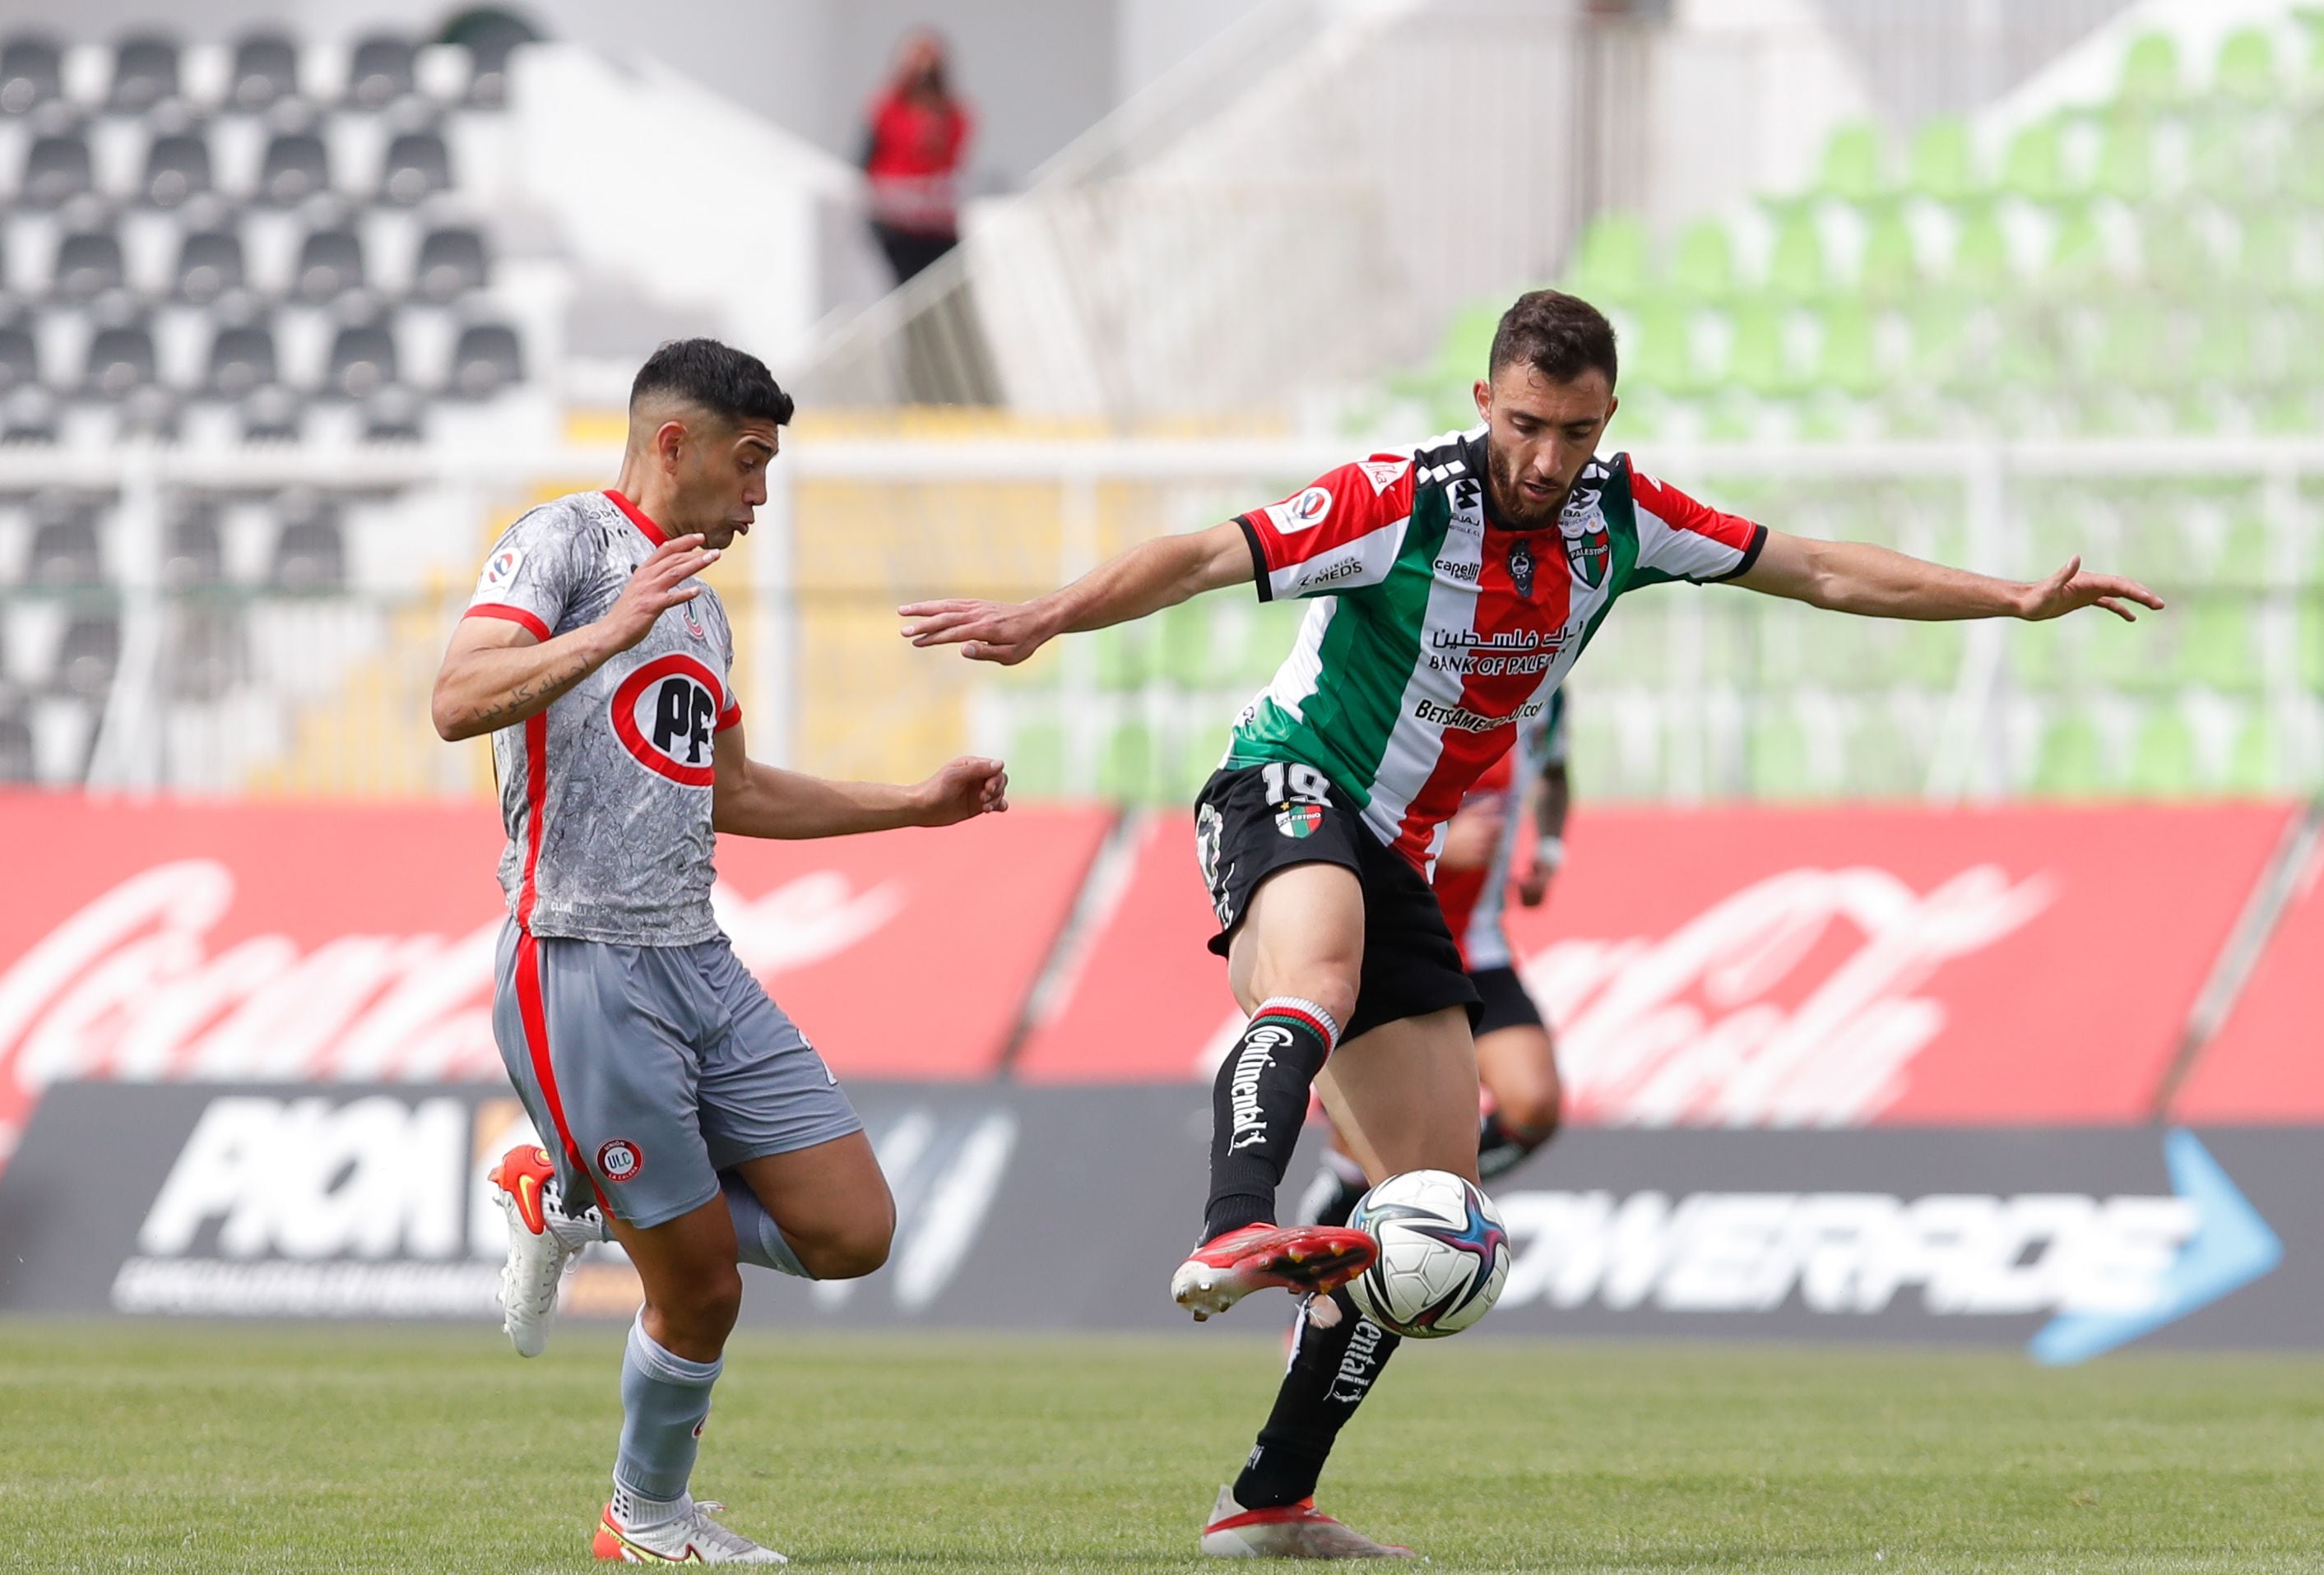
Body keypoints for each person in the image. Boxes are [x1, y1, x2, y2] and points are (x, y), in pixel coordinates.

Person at [898, 289, 2159, 1559]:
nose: (1548, 459)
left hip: (1401, 845)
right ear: (1481, 403)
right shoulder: (1401, 496)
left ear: (1608, 419)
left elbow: (1820, 567)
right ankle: (1234, 1218)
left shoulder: (1626, 517)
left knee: (1433, 1197)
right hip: (1283, 781)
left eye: (1577, 430)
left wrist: (2008, 598)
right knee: (1317, 968)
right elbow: (1204, 555)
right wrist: (1048, 612)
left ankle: (1268, 1498)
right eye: (1526, 424)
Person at [433, 337, 1008, 1564]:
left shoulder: (695, 601)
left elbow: (730, 789)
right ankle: (642, 1519)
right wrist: (606, 628)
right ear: (675, 442)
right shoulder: (566, 544)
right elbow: (457, 696)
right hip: (578, 957)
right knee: (700, 1288)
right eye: (749, 465)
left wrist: (914, 803)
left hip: (698, 957)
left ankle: (574, 1199)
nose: (758, 496)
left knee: (854, 1228)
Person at [1298, 688, 1570, 1230]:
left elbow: (1556, 773)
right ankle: (1325, 1285)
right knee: (1368, 1140)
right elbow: (1343, 816)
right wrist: (1440, 851)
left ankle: (1426, 1203)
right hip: (1385, 944)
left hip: (1477, 945)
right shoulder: (1413, 672)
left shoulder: (1548, 682)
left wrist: (1547, 850)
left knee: (1533, 1102)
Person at [861, 30, 970, 287]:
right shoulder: (886, 108)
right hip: (896, 226)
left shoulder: (953, 115)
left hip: (937, 226)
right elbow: (869, 159)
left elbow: (950, 160)